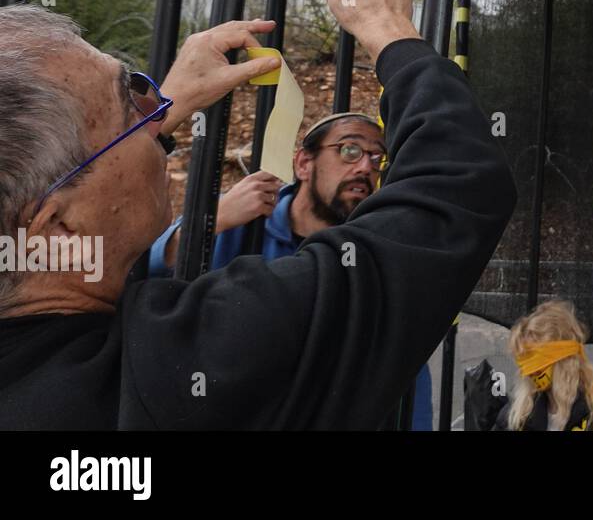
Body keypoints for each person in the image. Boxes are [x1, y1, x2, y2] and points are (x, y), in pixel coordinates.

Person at [0, 0, 516, 428]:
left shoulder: (39, 308)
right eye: (130, 102)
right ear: (61, 229)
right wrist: (389, 30)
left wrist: (165, 106)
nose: (156, 117)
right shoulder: (186, 369)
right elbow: (459, 184)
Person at [146, 111, 436, 430]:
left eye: (376, 157)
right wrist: (210, 221)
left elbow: (407, 367)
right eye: (349, 150)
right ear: (303, 164)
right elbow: (145, 276)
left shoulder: (375, 253)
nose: (366, 167)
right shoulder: (241, 226)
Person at [494, 300, 593, 431]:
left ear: (564, 358)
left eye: (536, 361)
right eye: (524, 362)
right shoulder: (518, 414)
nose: (529, 372)